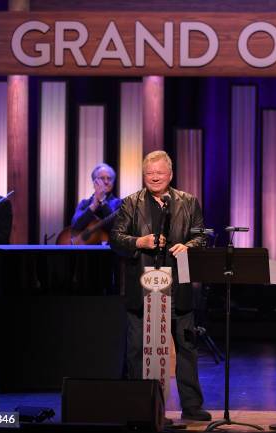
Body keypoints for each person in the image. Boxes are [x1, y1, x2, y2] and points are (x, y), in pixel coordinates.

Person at [110, 150, 211, 421]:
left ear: (170, 175)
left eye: (159, 173)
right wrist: (138, 242)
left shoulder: (188, 202)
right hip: (142, 288)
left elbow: (201, 236)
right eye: (149, 173)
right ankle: (140, 404)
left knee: (186, 348)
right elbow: (116, 239)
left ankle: (191, 406)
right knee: (138, 350)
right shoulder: (130, 203)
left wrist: (187, 246)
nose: (154, 177)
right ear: (144, 176)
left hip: (178, 286)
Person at [71, 163, 122, 234]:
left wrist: (102, 201)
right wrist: (93, 206)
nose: (106, 182)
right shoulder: (84, 203)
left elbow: (116, 228)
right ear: (94, 182)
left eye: (109, 179)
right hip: (86, 245)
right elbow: (75, 226)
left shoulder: (119, 203)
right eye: (102, 178)